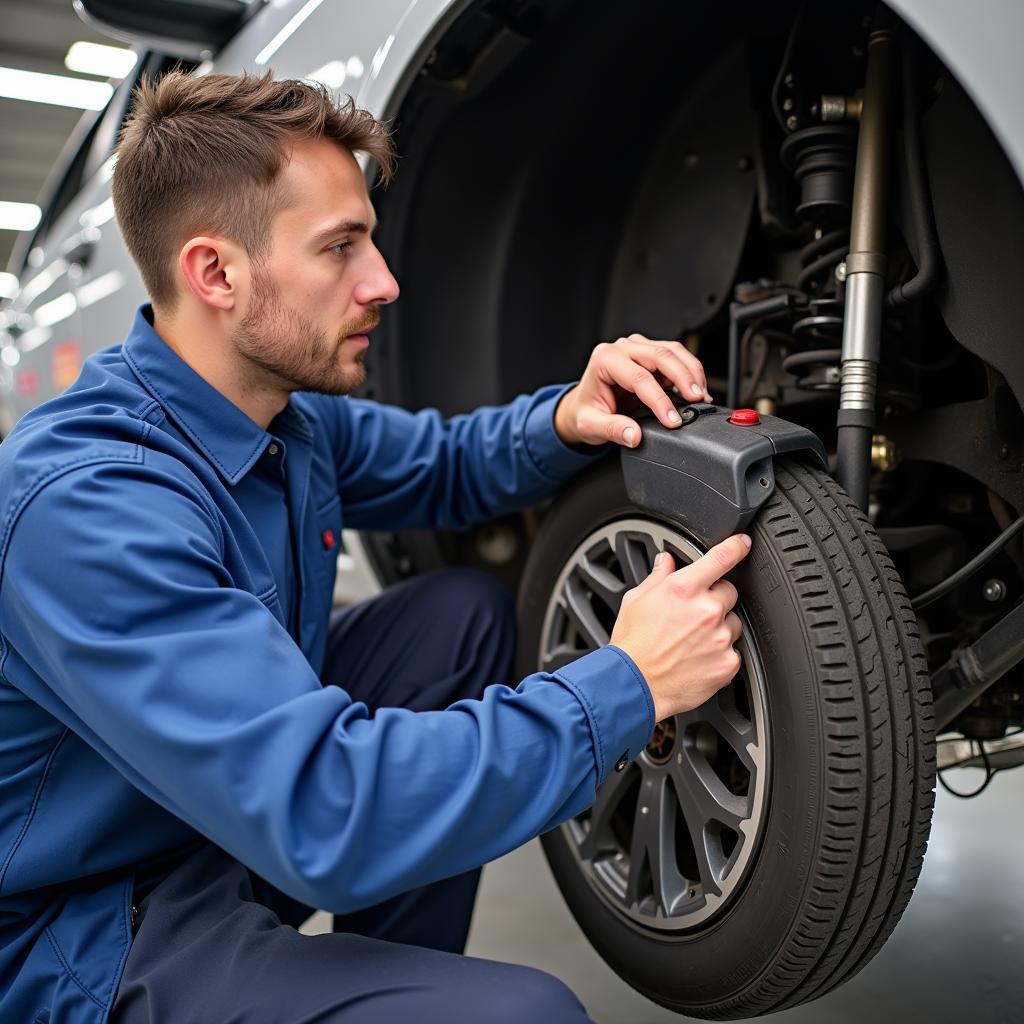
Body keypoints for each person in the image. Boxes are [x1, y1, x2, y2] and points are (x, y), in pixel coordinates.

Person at [0, 71, 749, 1023]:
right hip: (83, 933)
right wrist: (628, 683)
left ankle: (382, 978)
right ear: (216, 273)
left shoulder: (278, 412)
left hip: (212, 826)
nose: (383, 281)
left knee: (458, 621)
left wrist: (566, 414)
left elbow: (441, 466)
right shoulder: (92, 508)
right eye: (340, 248)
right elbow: (326, 809)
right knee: (527, 1018)